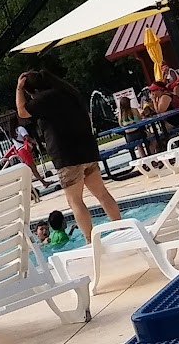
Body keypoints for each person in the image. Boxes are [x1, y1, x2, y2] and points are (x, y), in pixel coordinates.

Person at [15, 69, 125, 247]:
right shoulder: (67, 92)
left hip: (66, 155)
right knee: (102, 193)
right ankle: (121, 228)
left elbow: (22, 112)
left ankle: (90, 241)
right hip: (87, 150)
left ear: (32, 90)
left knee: (75, 201)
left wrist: (19, 89)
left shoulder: (44, 98)